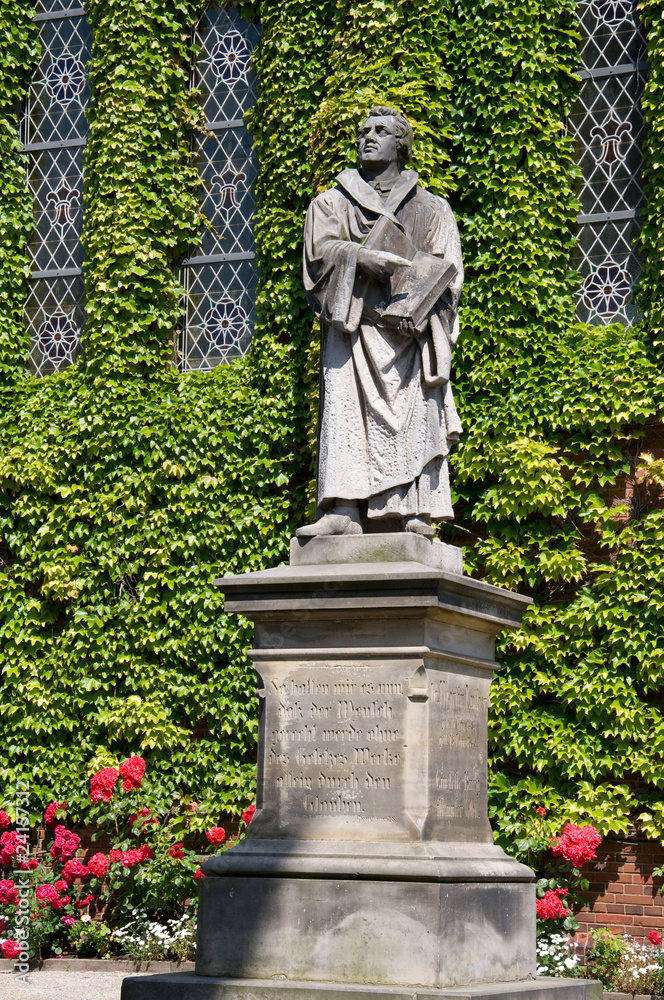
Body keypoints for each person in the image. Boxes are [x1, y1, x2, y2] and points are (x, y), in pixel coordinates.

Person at [298, 106, 463, 538]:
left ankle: (414, 508)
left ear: (401, 144)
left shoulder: (432, 208)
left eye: (381, 131)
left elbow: (449, 276)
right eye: (363, 131)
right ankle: (343, 509)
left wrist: (423, 314)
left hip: (410, 337)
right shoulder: (331, 203)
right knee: (345, 413)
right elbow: (317, 259)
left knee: (415, 414)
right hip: (353, 330)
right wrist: (360, 258)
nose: (368, 137)